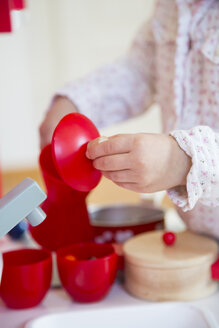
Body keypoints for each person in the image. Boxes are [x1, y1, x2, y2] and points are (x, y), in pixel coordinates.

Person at [39, 0, 219, 238]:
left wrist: (184, 162)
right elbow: (140, 71)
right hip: (199, 237)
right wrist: (77, 101)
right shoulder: (171, 7)